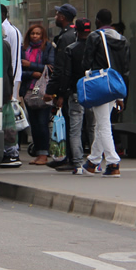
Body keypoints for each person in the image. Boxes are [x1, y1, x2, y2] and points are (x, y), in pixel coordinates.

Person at [80, 9, 129, 178]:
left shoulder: (94, 37)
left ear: (98, 20)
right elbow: (125, 69)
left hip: (100, 85)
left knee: (103, 126)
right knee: (103, 123)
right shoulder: (122, 39)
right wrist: (121, 96)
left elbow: (86, 62)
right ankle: (92, 163)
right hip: (116, 85)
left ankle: (113, 162)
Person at [51, 18, 92, 173]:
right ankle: (95, 161)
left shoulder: (71, 49)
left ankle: (77, 163)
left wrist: (61, 93)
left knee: (75, 129)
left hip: (76, 92)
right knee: (93, 127)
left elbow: (66, 73)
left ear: (77, 31)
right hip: (93, 93)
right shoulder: (96, 48)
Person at [45, 3, 77, 169]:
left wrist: (54, 92)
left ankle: (70, 160)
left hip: (67, 88)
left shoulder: (65, 38)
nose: (55, 17)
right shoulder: (73, 34)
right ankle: (64, 157)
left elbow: (62, 68)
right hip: (74, 87)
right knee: (68, 123)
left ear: (63, 17)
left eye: (57, 14)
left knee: (69, 124)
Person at [21, 23, 56, 165]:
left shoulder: (48, 48)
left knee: (42, 122)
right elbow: (18, 69)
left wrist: (31, 66)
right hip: (29, 90)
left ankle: (44, 154)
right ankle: (38, 152)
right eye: (32, 33)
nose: (34, 36)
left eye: (37, 34)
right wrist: (32, 73)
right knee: (34, 123)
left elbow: (51, 68)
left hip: (44, 91)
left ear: (42, 35)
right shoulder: (24, 49)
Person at [0, 19, 21, 168]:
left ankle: (7, 150)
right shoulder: (5, 45)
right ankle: (11, 150)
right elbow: (9, 70)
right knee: (7, 123)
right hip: (5, 89)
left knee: (3, 123)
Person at [1, 4, 23, 101]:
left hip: (11, 78)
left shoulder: (12, 31)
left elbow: (15, 58)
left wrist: (11, 82)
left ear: (3, 14)